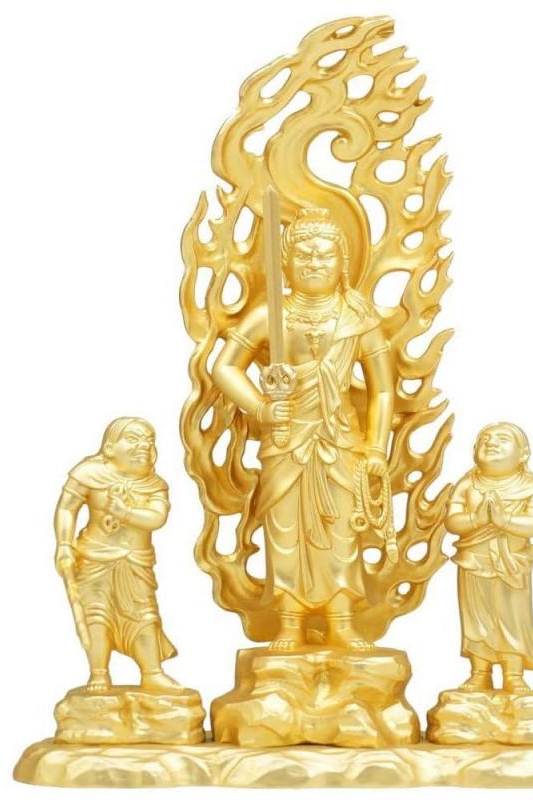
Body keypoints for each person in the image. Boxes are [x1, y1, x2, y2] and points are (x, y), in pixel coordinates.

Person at [211, 208, 394, 651]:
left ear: (342, 263)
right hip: (285, 439)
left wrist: (376, 446)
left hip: (339, 440)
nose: (314, 263)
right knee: (285, 530)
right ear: (286, 263)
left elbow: (384, 389)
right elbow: (224, 367)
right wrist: (260, 407)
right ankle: (289, 622)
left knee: (340, 531)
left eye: (324, 255)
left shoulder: (357, 317)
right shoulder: (271, 315)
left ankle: (341, 620)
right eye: (304, 255)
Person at [53, 417, 182, 693]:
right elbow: (66, 508)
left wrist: (126, 513)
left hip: (135, 561)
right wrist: (64, 544)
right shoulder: (88, 473)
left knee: (144, 615)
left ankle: (152, 672)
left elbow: (157, 518)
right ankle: (98, 674)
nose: (144, 445)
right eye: (133, 439)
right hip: (94, 558)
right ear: (110, 447)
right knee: (96, 615)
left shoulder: (153, 484)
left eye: (149, 440)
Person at [445, 422, 533, 692]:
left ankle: (513, 674)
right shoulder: (468, 484)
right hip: (474, 563)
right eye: (485, 439)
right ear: (474, 450)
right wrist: (476, 519)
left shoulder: (530, 486)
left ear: (523, 453)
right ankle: (479, 673)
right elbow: (452, 521)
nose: (491, 442)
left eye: (502, 439)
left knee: (512, 619)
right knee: (476, 620)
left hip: (512, 564)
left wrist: (504, 520)